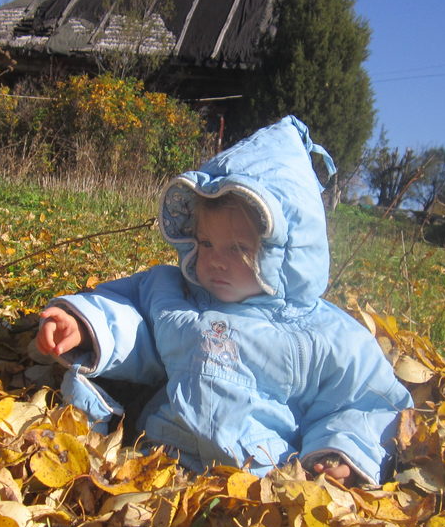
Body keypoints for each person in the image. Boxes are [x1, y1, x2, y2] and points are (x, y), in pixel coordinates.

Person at [36, 116, 412, 484]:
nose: (215, 260)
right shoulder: (175, 293)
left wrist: (337, 452)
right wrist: (85, 324)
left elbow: (363, 402)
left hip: (258, 478)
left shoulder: (325, 336)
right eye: (206, 243)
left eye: (238, 248)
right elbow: (132, 319)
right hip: (155, 456)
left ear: (286, 253)